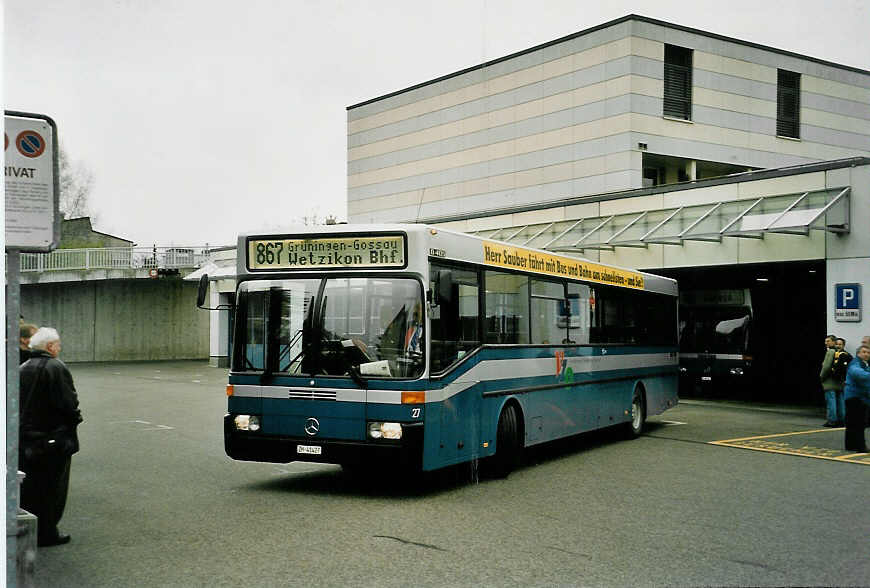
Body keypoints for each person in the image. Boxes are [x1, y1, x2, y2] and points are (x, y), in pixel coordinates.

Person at [19, 327, 82, 547]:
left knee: (32, 487)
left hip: (28, 438)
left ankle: (31, 530)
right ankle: (47, 533)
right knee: (53, 488)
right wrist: (74, 421)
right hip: (53, 439)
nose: (59, 347)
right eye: (57, 343)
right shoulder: (56, 367)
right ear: (49, 346)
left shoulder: (23, 367)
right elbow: (69, 403)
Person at [843, 344, 870, 453]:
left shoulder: (865, 364)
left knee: (852, 423)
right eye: (864, 352)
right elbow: (859, 375)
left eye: (868, 352)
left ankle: (850, 445)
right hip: (856, 397)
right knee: (859, 423)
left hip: (856, 396)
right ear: (858, 353)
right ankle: (860, 446)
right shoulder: (855, 363)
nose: (866, 354)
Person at [819, 335, 842, 427]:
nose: (826, 343)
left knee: (831, 401)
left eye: (828, 341)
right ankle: (841, 420)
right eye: (825, 341)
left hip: (830, 381)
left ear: (833, 342)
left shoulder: (830, 352)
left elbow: (827, 366)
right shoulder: (841, 352)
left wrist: (821, 376)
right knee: (840, 402)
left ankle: (832, 420)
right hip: (839, 381)